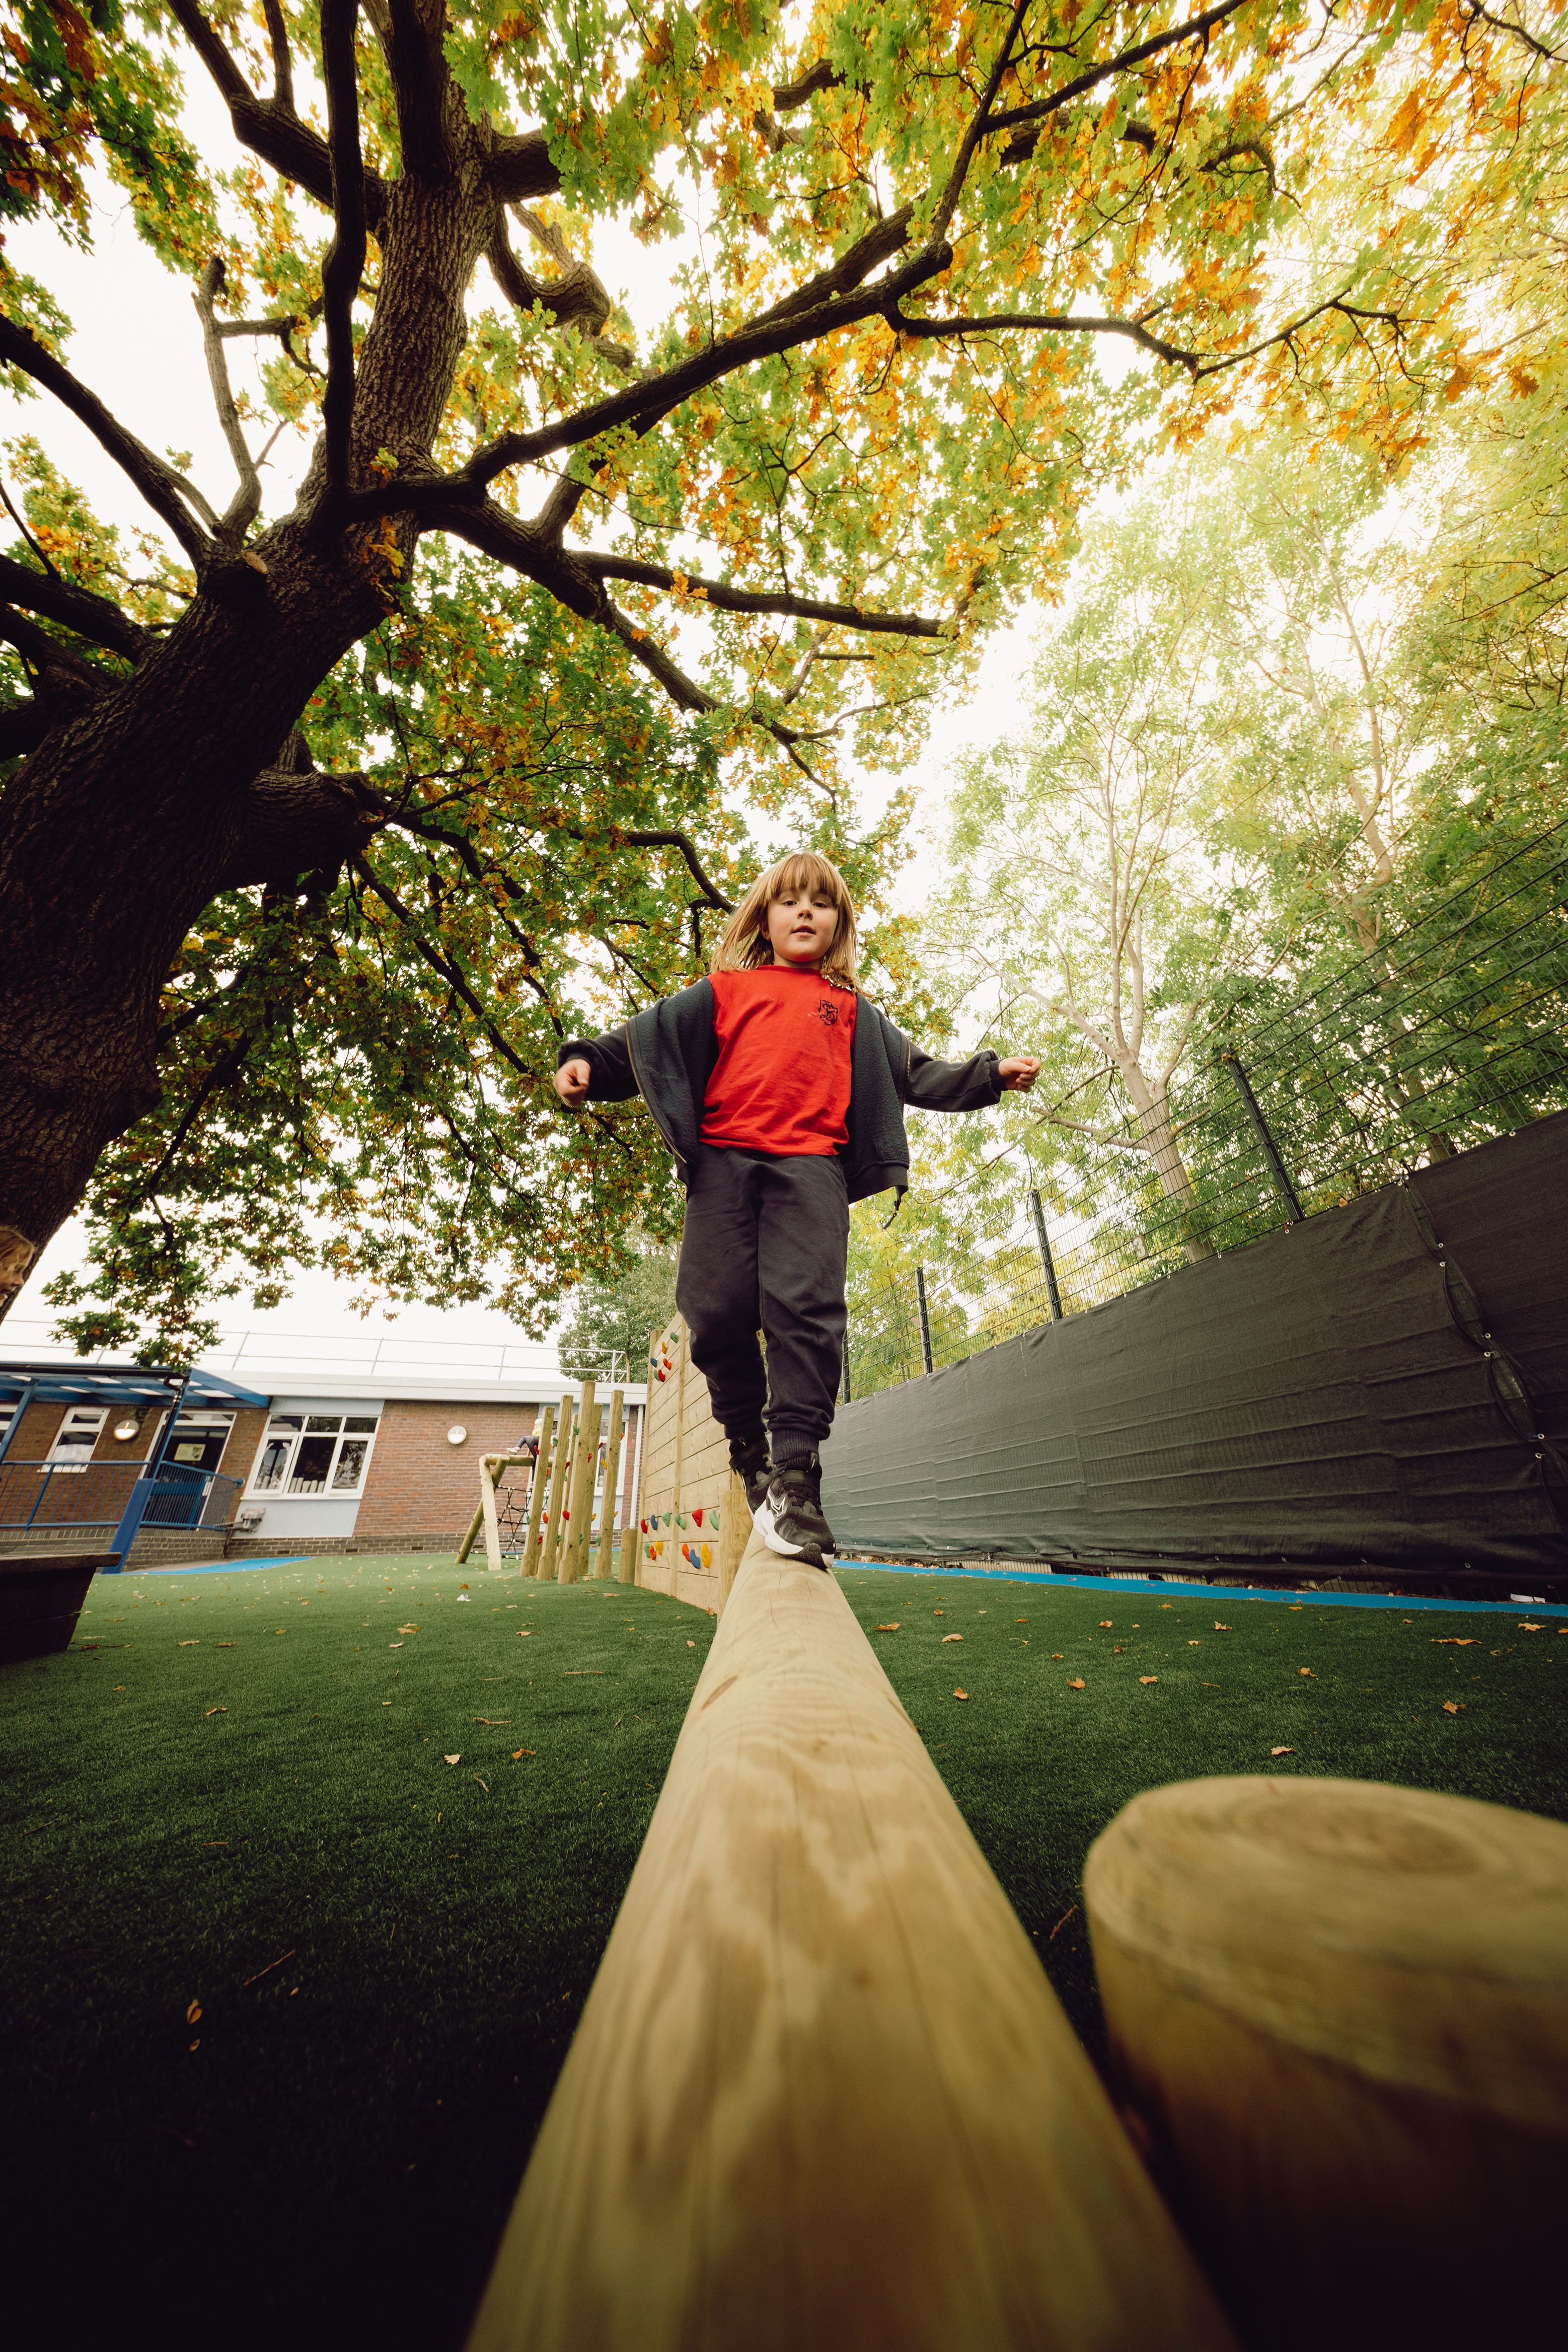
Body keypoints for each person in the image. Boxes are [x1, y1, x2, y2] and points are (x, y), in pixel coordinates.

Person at [552, 850, 1039, 1569]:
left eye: (821, 902)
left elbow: (918, 1073)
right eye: (789, 901)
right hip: (724, 1165)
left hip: (810, 1170)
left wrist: (988, 1075)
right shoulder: (725, 991)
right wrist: (587, 1063)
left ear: (838, 924)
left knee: (804, 1312)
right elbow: (644, 1040)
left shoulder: (852, 1012)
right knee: (713, 1312)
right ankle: (750, 1453)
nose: (805, 911)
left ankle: (798, 1477)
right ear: (765, 918)